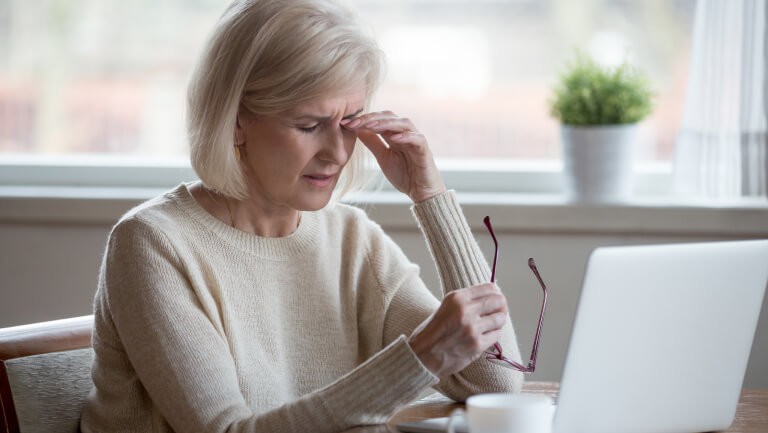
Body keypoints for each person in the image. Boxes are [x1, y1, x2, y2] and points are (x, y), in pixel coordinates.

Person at [80, 0, 524, 432]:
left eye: (350, 123)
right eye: (309, 126)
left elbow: (495, 381)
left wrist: (431, 195)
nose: (336, 153)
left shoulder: (351, 238)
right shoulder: (152, 244)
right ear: (236, 121)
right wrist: (418, 360)